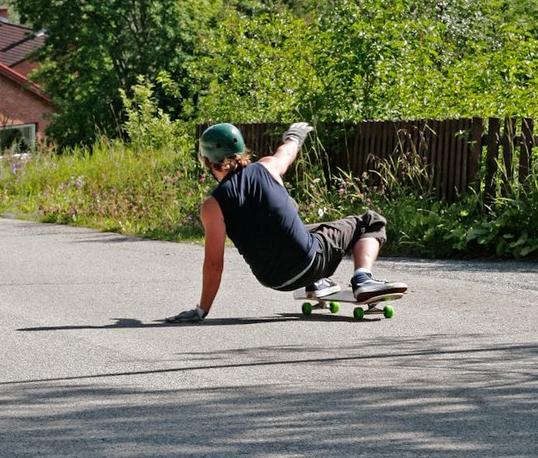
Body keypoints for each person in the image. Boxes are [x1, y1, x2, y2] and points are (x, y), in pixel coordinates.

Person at [165, 121, 407, 323]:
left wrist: (201, 311)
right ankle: (362, 279)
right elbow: (288, 152)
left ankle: (316, 283)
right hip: (309, 260)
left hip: (274, 280)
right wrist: (295, 134)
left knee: (296, 227)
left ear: (208, 161)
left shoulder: (212, 206)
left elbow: (214, 264)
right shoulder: (267, 167)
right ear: (241, 150)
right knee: (370, 221)